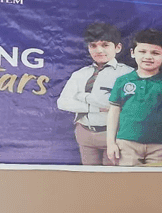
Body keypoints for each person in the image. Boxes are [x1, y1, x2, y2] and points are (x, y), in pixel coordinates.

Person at [57, 22, 133, 165]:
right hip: (85, 133)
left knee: (109, 179)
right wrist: (96, 108)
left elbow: (125, 105)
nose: (99, 50)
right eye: (93, 46)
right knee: (90, 178)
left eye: (105, 45)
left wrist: (82, 97)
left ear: (118, 47)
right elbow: (63, 102)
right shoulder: (80, 74)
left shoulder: (127, 74)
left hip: (114, 134)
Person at [106, 29, 162, 166]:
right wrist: (110, 143)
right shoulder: (122, 81)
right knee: (127, 183)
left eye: (155, 53)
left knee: (156, 185)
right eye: (142, 51)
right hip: (126, 144)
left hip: (160, 147)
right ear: (132, 53)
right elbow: (113, 113)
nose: (148, 57)